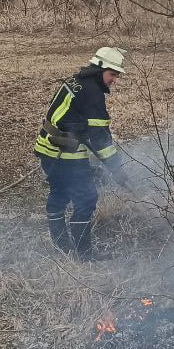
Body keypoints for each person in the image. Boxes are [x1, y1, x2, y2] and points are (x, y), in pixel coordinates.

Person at [35, 46, 129, 259]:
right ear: (100, 68)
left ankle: (62, 247)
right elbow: (100, 138)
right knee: (86, 198)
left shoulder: (77, 80)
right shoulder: (92, 93)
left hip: (47, 148)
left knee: (59, 194)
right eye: (113, 74)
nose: (114, 80)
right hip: (65, 153)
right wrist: (116, 168)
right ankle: (84, 255)